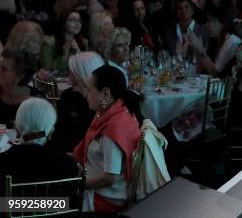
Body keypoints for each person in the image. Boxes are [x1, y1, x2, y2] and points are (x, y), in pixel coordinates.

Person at [74, 65, 142, 213]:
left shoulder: (114, 127)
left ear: (105, 93)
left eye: (89, 89)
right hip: (95, 187)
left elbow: (110, 177)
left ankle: (13, 207)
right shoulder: (112, 113)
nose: (85, 95)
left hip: (104, 199)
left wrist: (77, 185)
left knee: (45, 204)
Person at [0, 98, 79, 196]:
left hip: (9, 209)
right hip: (53, 210)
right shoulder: (67, 164)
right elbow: (71, 203)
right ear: (50, 133)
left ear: (16, 127)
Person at [46, 51, 103, 152]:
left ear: (86, 75)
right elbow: (59, 132)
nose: (69, 79)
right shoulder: (68, 96)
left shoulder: (103, 104)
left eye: (73, 75)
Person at [0, 49, 44, 127]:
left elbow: (43, 133)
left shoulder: (37, 100)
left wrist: (21, 138)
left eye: (4, 69)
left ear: (19, 77)